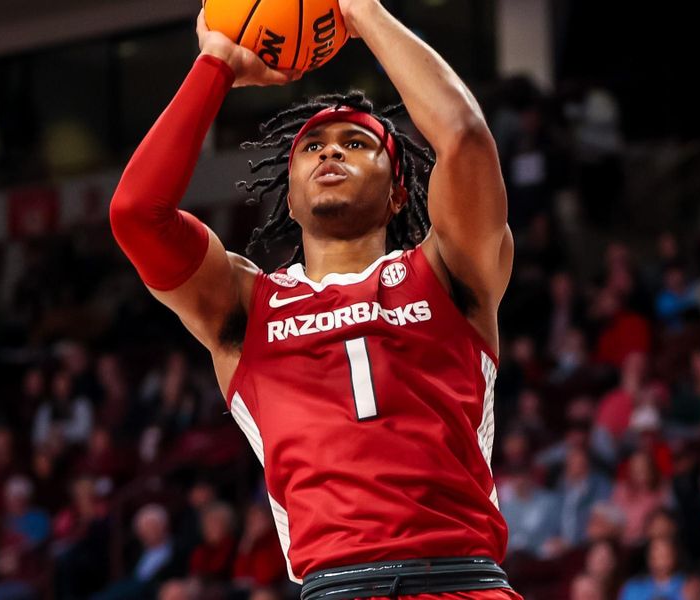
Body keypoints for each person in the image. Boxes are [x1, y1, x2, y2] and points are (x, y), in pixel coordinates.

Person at [110, 0, 518, 597]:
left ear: (401, 191)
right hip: (335, 587)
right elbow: (136, 215)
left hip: (464, 578)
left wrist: (362, 11)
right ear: (292, 200)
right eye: (312, 147)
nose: (330, 152)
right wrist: (216, 61)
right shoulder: (245, 304)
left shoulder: (450, 269)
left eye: (355, 143)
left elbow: (463, 137)